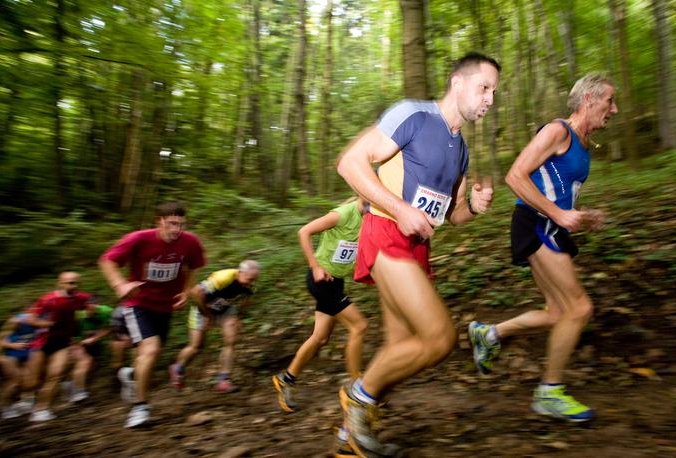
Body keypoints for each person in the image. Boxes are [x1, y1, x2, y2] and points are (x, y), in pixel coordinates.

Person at [334, 52, 499, 456]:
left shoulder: (460, 150)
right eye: (484, 88)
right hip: (385, 234)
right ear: (457, 84)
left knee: (399, 351)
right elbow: (350, 163)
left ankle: (350, 438)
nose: (490, 99)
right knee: (440, 338)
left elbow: (451, 215)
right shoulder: (413, 115)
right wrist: (400, 208)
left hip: (418, 247)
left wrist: (473, 208)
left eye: (494, 92)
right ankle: (357, 397)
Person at [468, 73, 618, 422]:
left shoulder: (581, 142)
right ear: (589, 100)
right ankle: (549, 393)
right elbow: (515, 175)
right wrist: (559, 215)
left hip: (550, 225)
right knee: (579, 309)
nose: (615, 109)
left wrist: (579, 215)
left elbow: (559, 188)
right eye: (609, 101)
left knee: (557, 313)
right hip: (537, 223)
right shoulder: (557, 131)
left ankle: (489, 333)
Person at [99, 201, 206, 428]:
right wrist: (119, 284)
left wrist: (186, 290)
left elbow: (194, 266)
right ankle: (140, 408)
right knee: (151, 349)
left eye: (181, 224)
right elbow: (107, 260)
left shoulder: (190, 242)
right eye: (171, 224)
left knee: (148, 356)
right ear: (159, 222)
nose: (177, 229)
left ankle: (130, 375)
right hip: (138, 304)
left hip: (165, 307)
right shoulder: (139, 239)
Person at [272, 198, 368, 413]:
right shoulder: (342, 214)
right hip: (322, 280)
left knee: (320, 338)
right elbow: (304, 232)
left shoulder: (370, 217)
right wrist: (315, 266)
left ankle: (286, 379)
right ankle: (357, 390)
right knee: (359, 326)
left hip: (336, 282)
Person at [169, 260, 260, 393]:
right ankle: (177, 368)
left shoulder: (250, 284)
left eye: (254, 280)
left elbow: (245, 301)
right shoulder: (224, 277)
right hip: (202, 309)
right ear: (241, 272)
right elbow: (196, 292)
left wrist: (238, 317)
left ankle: (224, 380)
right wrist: (208, 316)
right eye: (250, 279)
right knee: (196, 346)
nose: (251, 283)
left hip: (224, 309)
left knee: (231, 340)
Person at [24, 271, 95, 422]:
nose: (73, 286)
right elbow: (31, 319)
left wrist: (90, 311)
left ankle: (41, 409)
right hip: (42, 341)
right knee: (33, 381)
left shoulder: (81, 297)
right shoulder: (47, 299)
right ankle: (27, 398)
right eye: (69, 283)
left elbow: (90, 304)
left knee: (56, 375)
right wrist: (50, 324)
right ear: (60, 283)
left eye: (76, 282)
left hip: (62, 342)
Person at [64, 303, 114, 403]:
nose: (88, 312)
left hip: (94, 343)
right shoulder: (78, 315)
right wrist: (76, 344)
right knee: (85, 361)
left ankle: (70, 385)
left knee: (92, 366)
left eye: (91, 309)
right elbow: (69, 332)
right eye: (86, 309)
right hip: (75, 341)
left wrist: (95, 338)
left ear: (97, 307)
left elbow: (110, 327)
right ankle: (79, 392)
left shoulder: (106, 311)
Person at [0, 312, 38, 419]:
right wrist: (12, 345)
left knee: (30, 381)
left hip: (29, 354)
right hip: (12, 355)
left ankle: (24, 403)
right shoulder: (15, 321)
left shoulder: (42, 322)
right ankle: (6, 408)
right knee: (14, 382)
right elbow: (0, 341)